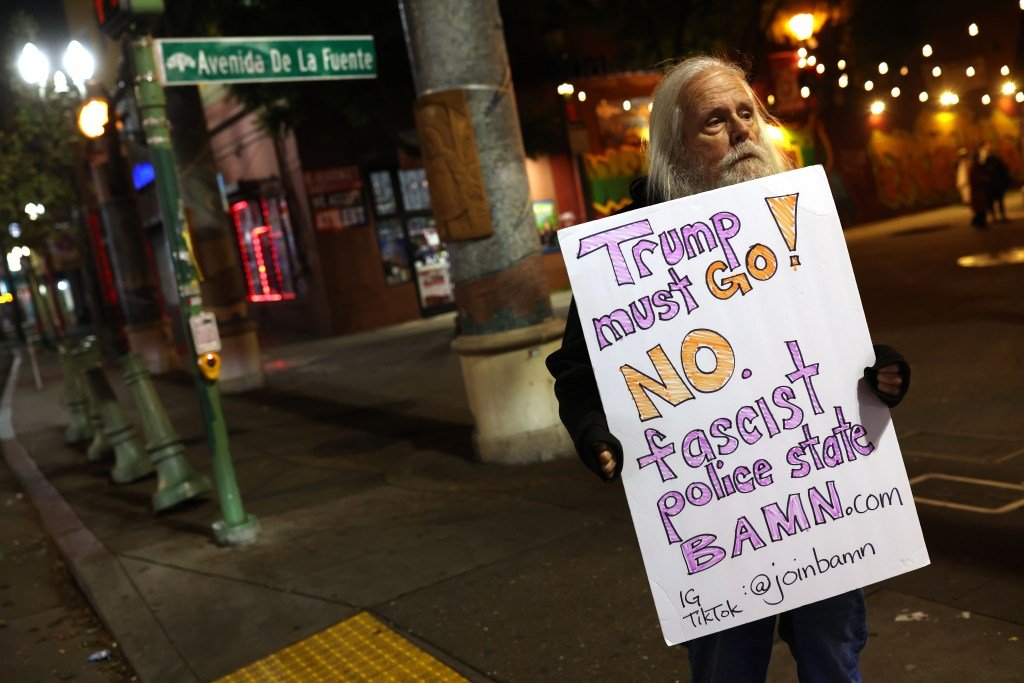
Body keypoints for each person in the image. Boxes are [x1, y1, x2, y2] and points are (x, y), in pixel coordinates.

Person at [545, 55, 911, 683]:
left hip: (822, 504)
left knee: (832, 658)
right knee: (728, 670)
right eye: (715, 121)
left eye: (746, 112)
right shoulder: (622, 257)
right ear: (675, 146)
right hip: (719, 530)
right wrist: (593, 432)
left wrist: (882, 371)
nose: (742, 130)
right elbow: (578, 375)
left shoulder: (791, 218)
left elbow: (832, 337)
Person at [980, 142, 1010, 222]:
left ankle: (998, 216)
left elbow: (1003, 170)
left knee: (996, 201)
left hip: (994, 185)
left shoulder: (992, 161)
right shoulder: (987, 162)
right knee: (996, 201)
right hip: (993, 185)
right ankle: (998, 216)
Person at [968, 150, 989, 229]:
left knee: (981, 208)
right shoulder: (974, 168)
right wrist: (983, 179)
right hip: (978, 191)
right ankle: (980, 222)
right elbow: (975, 179)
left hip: (979, 191)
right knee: (980, 208)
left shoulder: (976, 167)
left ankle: (979, 222)